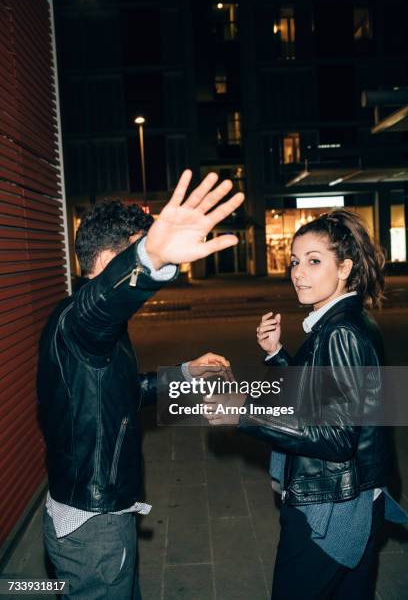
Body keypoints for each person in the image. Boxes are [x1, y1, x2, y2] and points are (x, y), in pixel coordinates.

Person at [38, 170, 243, 599]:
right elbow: (98, 307)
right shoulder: (81, 321)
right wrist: (148, 258)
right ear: (119, 255)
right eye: (136, 248)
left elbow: (124, 394)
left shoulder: (89, 327)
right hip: (95, 524)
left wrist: (186, 373)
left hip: (93, 512)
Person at [205, 209, 407, 599]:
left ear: (345, 267)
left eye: (314, 261)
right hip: (356, 495)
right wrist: (277, 354)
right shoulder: (343, 321)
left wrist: (244, 411)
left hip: (332, 504)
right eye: (295, 261)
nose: (298, 272)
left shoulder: (340, 333)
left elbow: (335, 437)